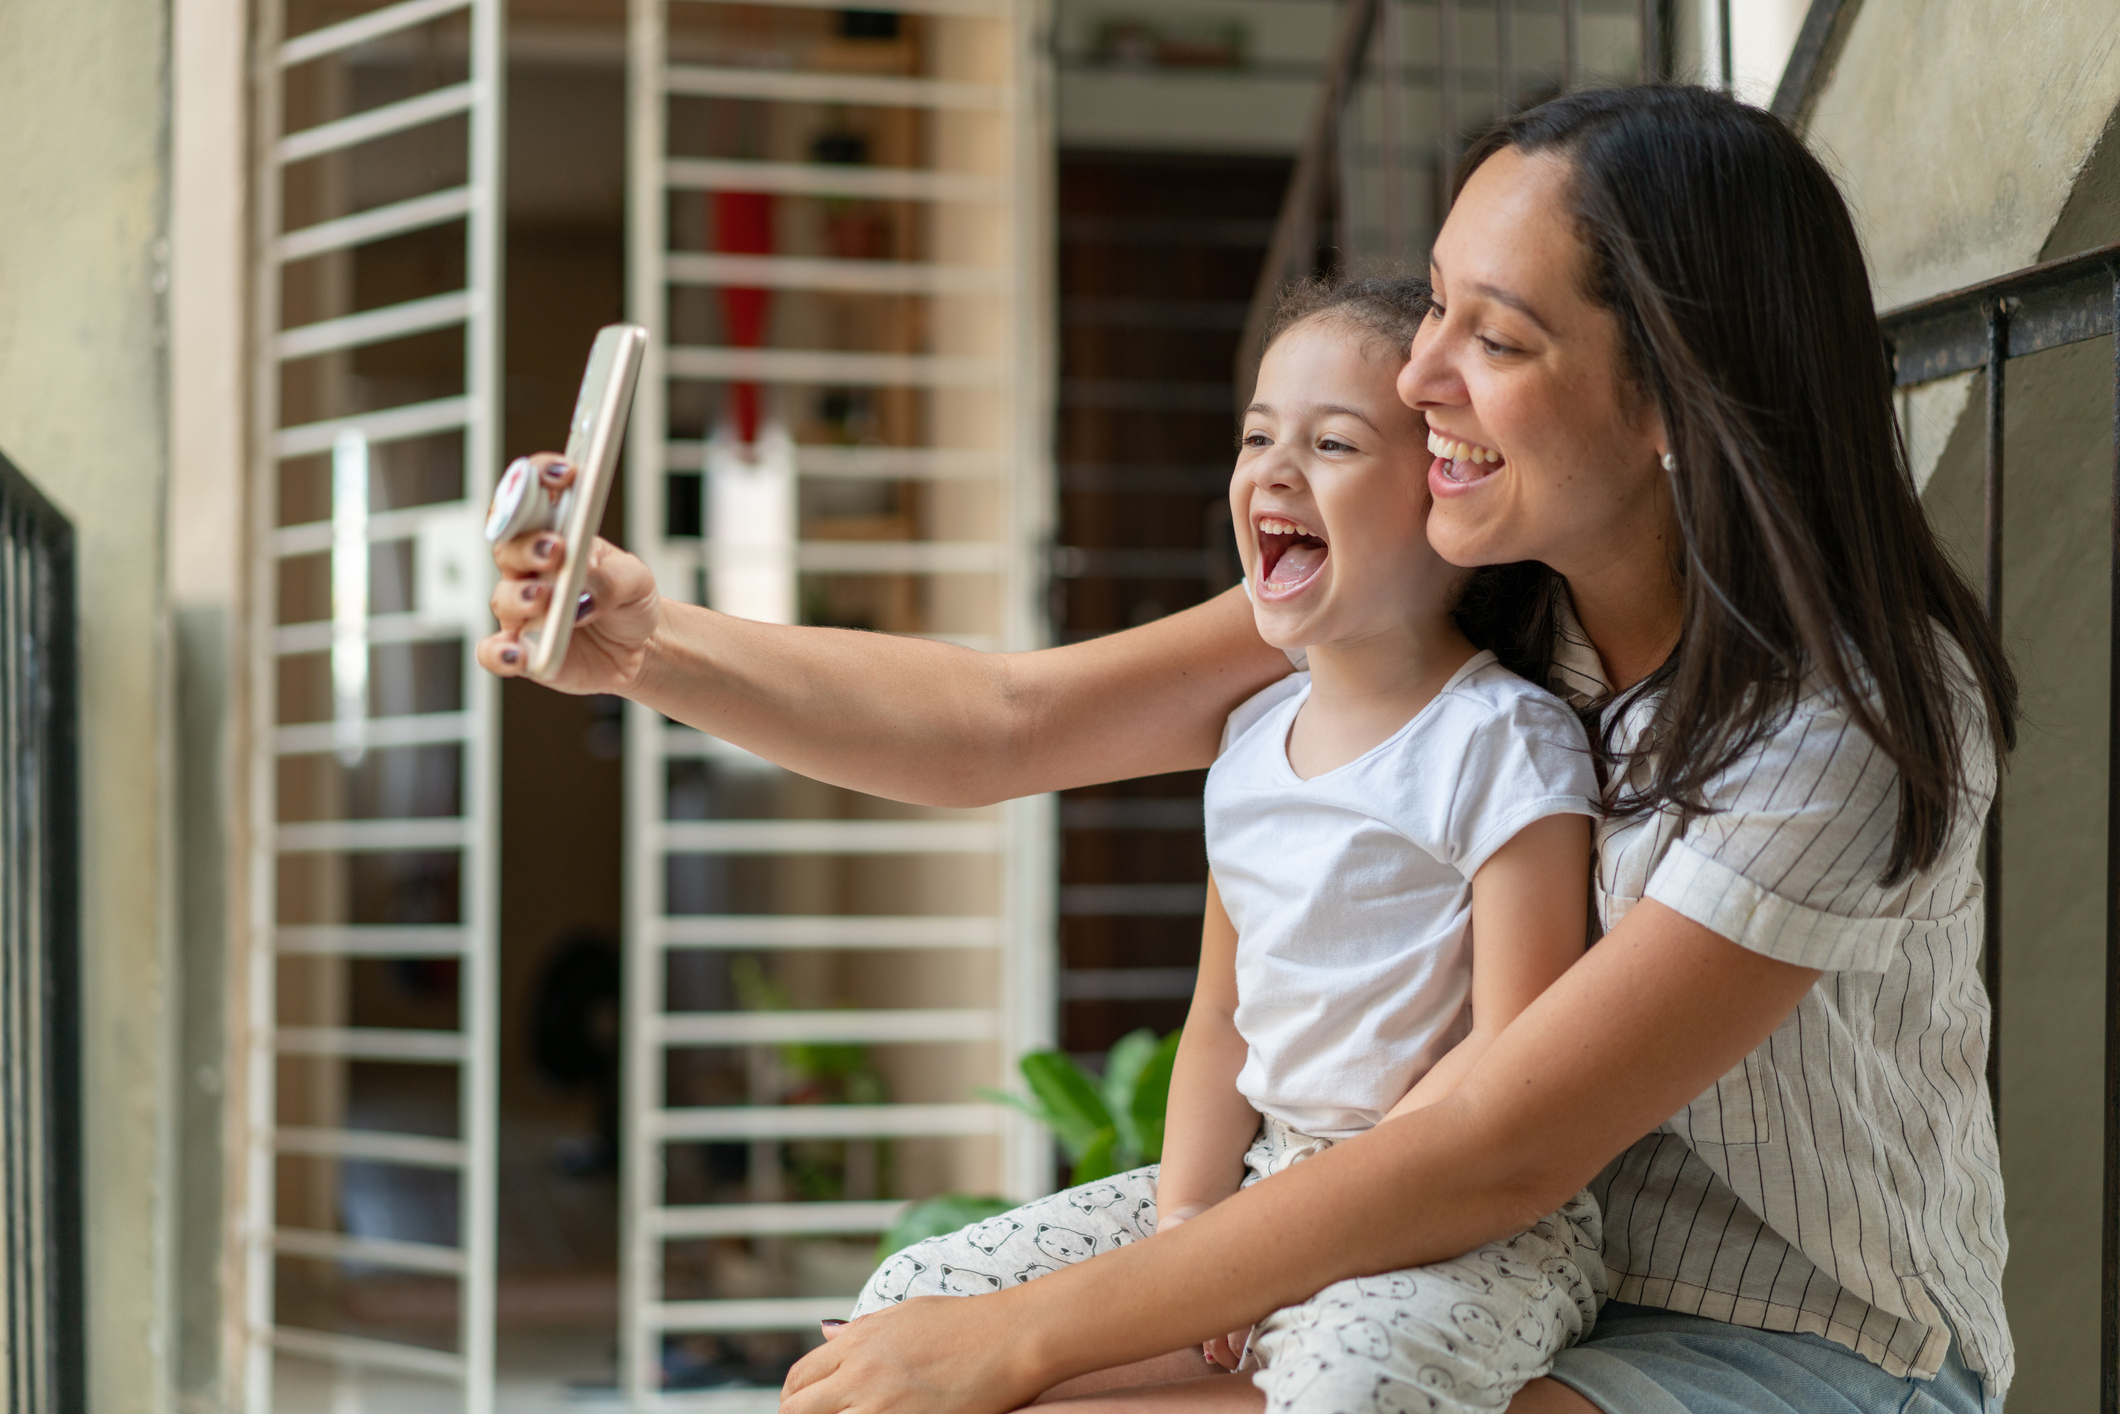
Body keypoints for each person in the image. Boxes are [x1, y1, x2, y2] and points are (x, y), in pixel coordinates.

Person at [482, 85, 2014, 1414]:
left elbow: (1495, 1144)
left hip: (1789, 1345)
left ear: (1673, 397)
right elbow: (1011, 720)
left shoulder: (1847, 720)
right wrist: (650, 643)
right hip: (1447, 1237)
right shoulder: (1471, 582)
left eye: (1497, 336)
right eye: (1433, 308)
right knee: (906, 1333)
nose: (1417, 381)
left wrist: (1015, 1341)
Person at [847, 274, 1610, 1414]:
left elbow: (1508, 1056)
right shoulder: (1249, 742)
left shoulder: (1504, 743)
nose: (1273, 469)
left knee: (1355, 1383)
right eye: (1257, 435)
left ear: (1444, 493)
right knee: (913, 1298)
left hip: (1465, 1214)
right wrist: (1192, 1239)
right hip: (1265, 1176)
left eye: (1333, 443)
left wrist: (1283, 1244)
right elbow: (1217, 1021)